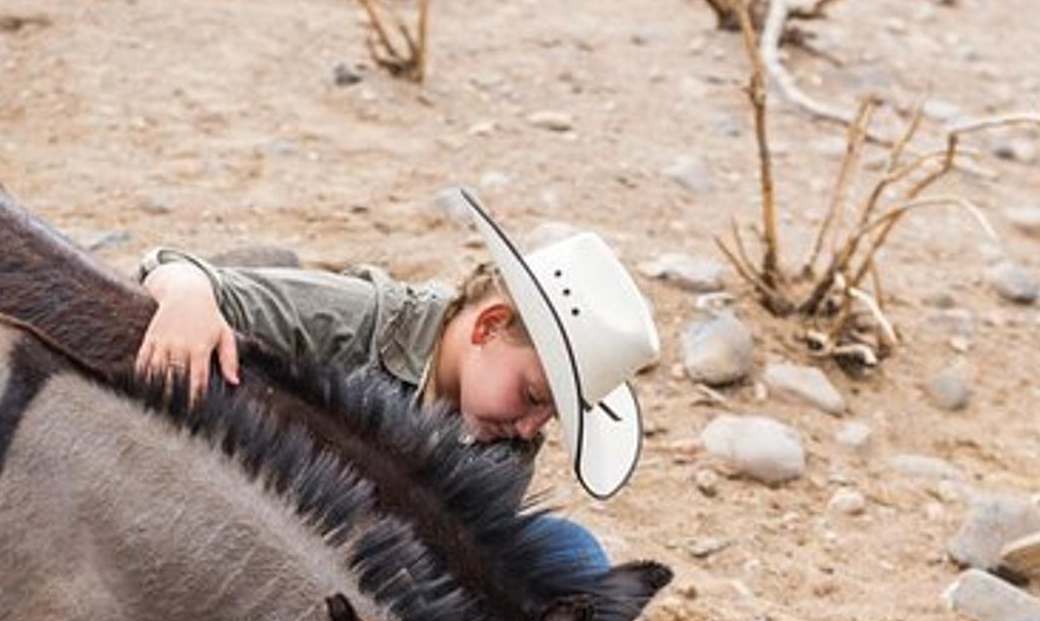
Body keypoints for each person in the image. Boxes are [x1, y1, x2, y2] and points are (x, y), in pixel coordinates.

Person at [132, 190, 660, 568]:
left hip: (376, 567)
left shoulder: (508, 446)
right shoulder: (367, 318)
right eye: (533, 397)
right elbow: (187, 273)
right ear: (491, 325)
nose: (530, 429)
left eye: (551, 417)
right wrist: (186, 297)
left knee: (574, 556)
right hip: (263, 531)